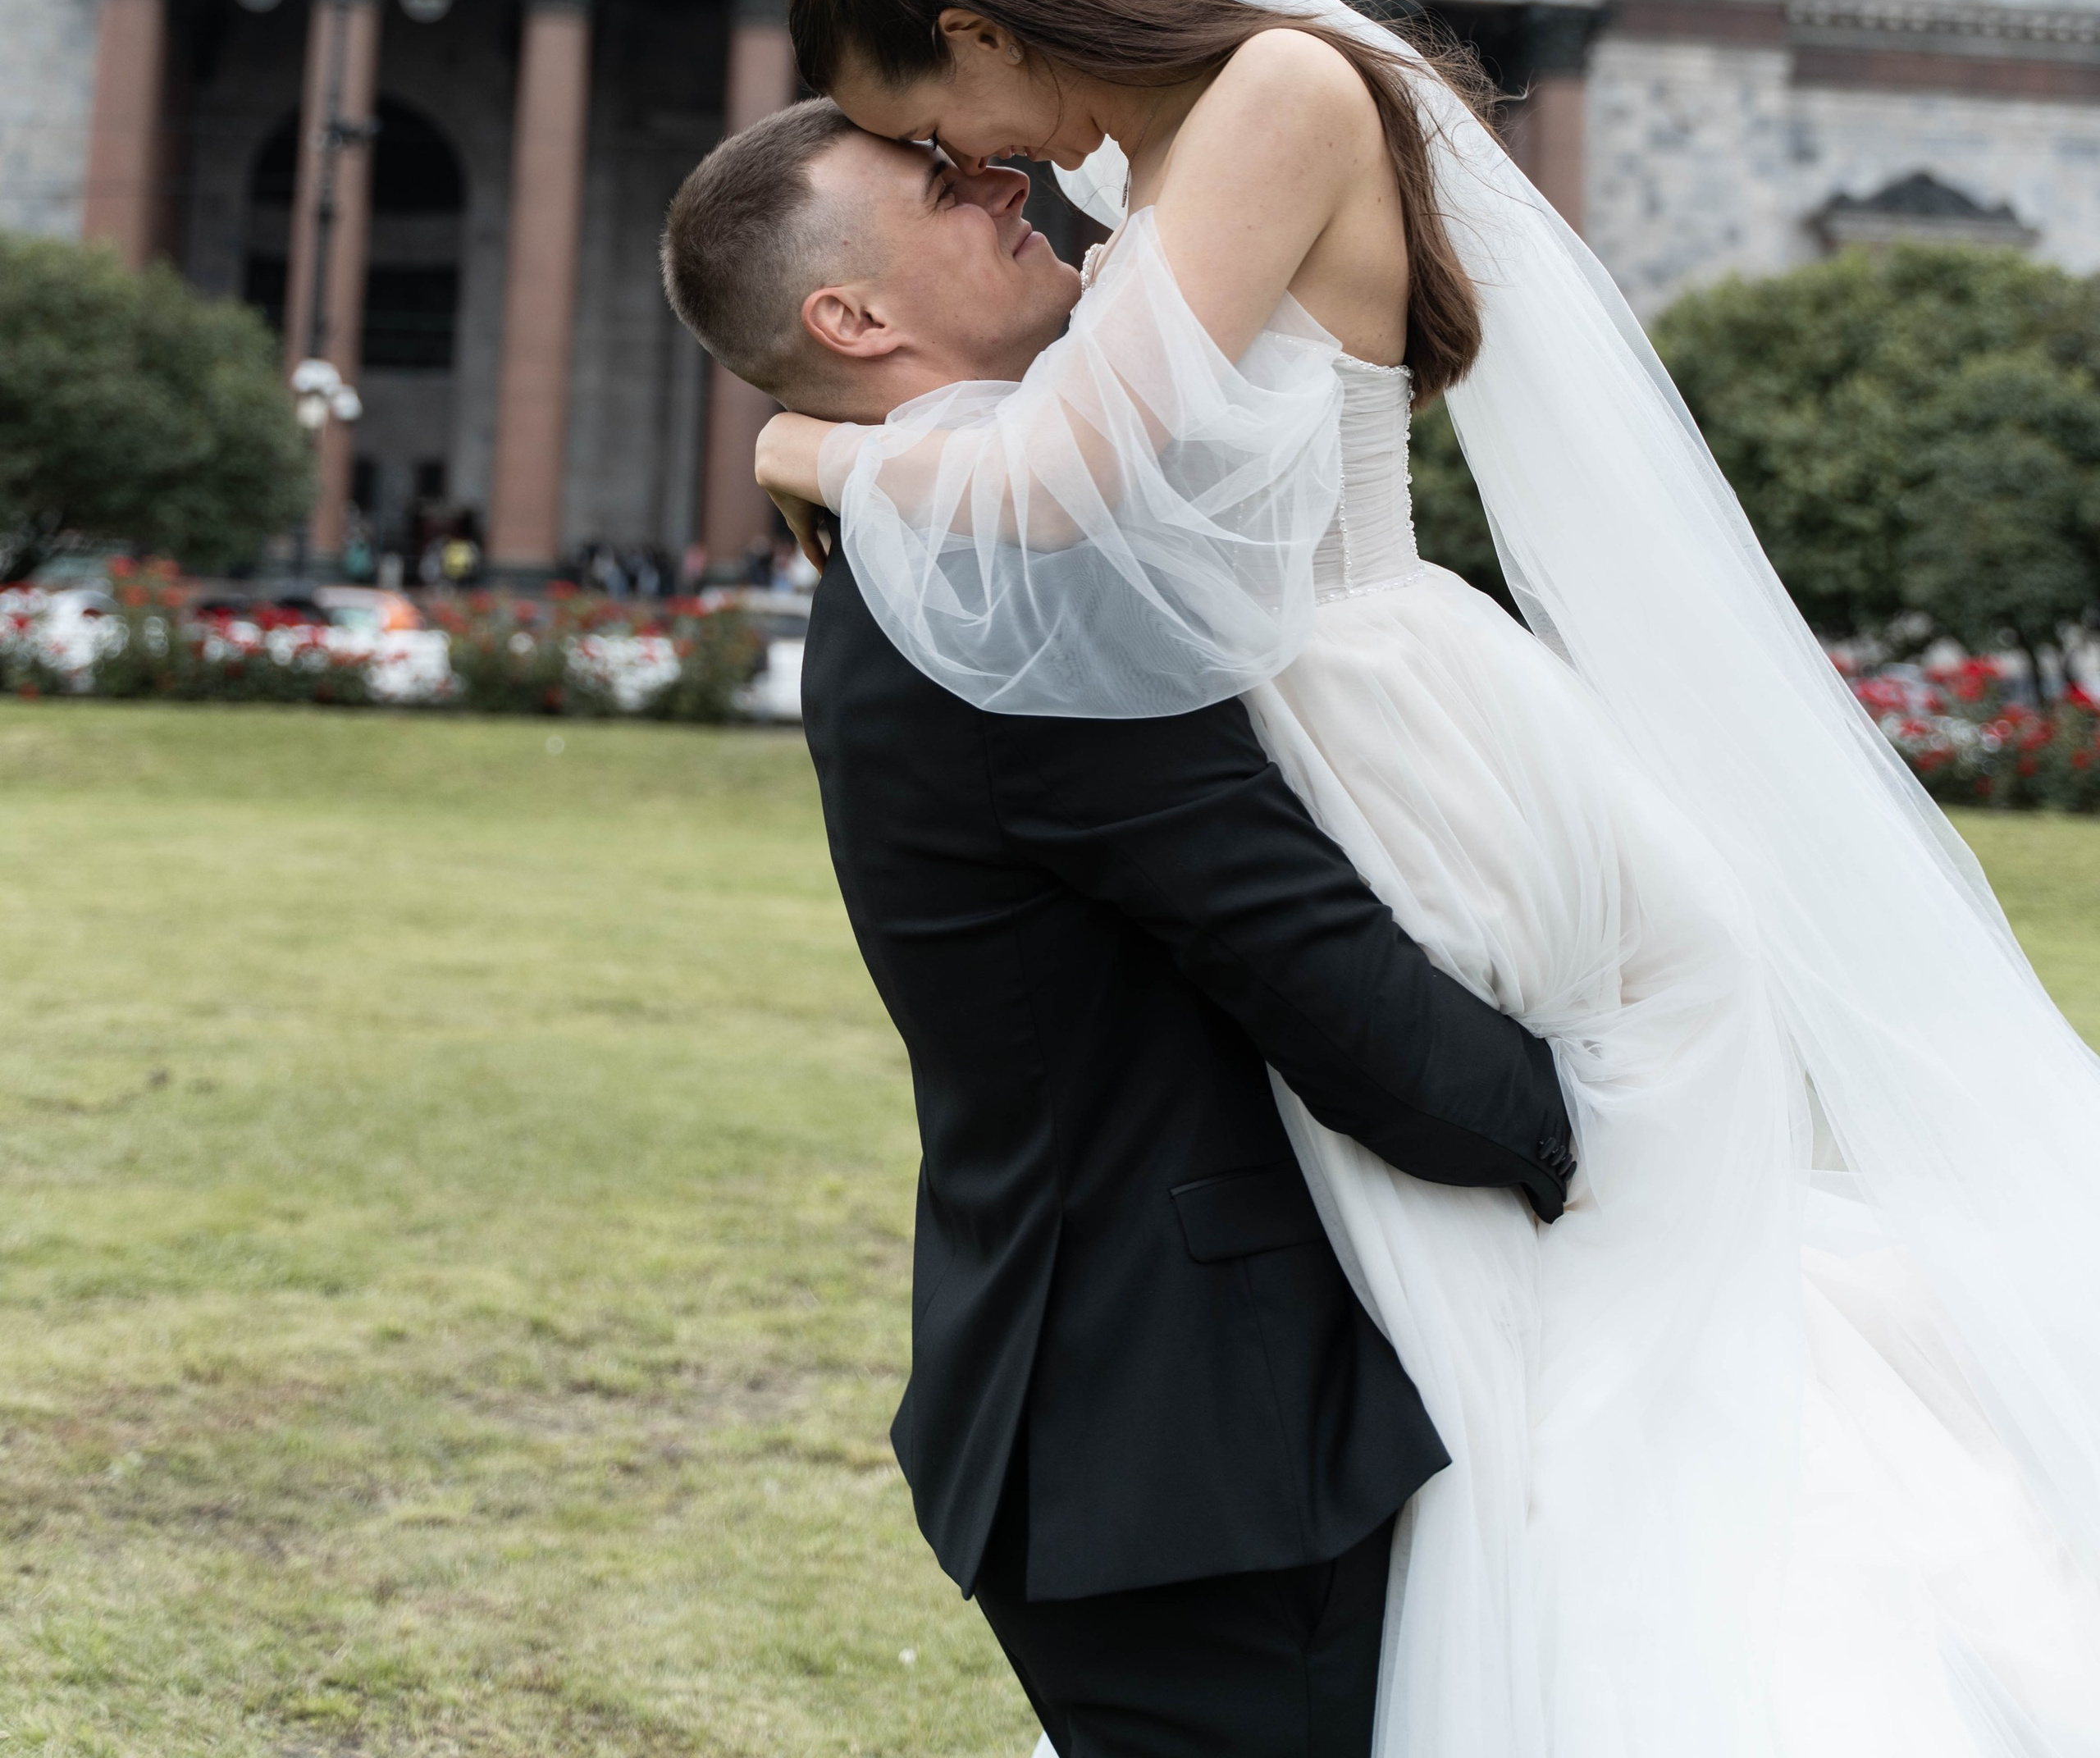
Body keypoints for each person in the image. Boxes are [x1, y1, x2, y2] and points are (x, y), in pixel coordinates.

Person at [748, 0, 2100, 1758]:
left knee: (1555, 1283)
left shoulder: (1273, 103)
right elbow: (1140, 43)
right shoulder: (1185, 146)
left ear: (972, 29)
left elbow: (1066, 466)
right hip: (1315, 705)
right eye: (926, 157)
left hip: (1383, 714)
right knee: (1502, 1318)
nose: (977, 165)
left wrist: (817, 449)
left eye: (930, 114)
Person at [661, 99, 1575, 1758]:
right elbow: (1318, 978)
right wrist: (1601, 1143)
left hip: (1146, 1407)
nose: (999, 180)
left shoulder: (962, 539)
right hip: (1193, 1439)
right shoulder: (1006, 600)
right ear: (852, 324)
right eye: (942, 188)